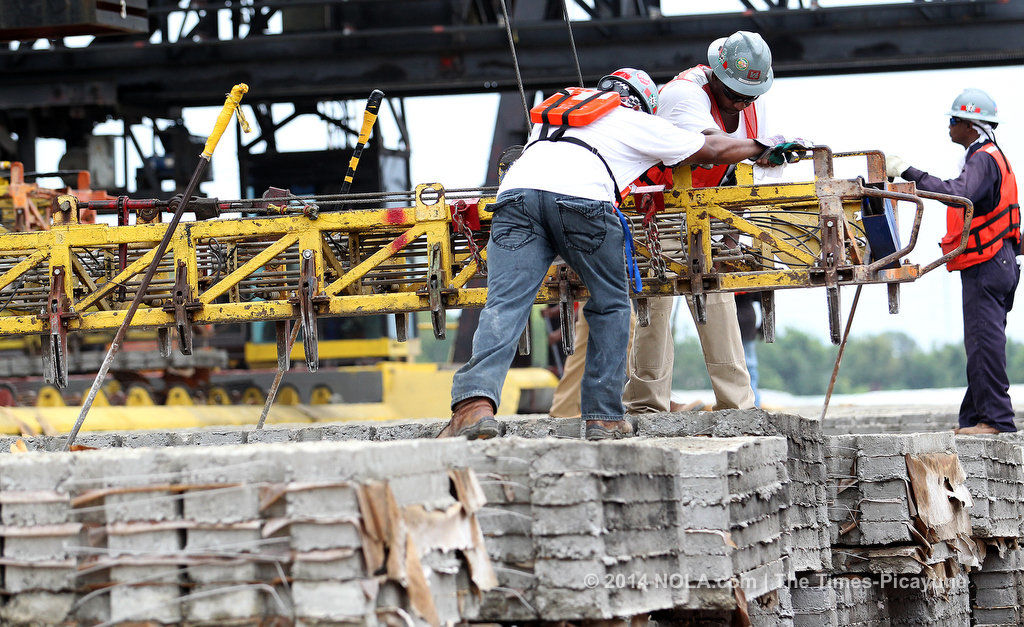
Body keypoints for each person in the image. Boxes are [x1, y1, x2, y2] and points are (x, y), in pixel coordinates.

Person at [440, 68, 797, 441]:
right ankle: (603, 417)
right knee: (610, 306)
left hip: (514, 199)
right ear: (642, 104)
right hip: (583, 200)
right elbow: (711, 149)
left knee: (504, 305)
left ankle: (473, 406)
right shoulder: (633, 120)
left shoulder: (560, 111)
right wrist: (765, 147)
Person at [887, 88, 1020, 434]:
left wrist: (908, 172)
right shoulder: (988, 156)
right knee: (981, 340)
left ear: (970, 125)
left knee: (983, 340)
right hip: (997, 261)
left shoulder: (984, 158)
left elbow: (956, 193)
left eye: (953, 120)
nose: (949, 126)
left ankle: (996, 420)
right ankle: (975, 417)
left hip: (989, 262)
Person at [734, 291, 762, 408]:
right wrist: (763, 326)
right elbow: (761, 296)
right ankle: (754, 404)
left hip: (733, 321)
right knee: (750, 367)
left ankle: (748, 403)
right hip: (747, 322)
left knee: (737, 366)